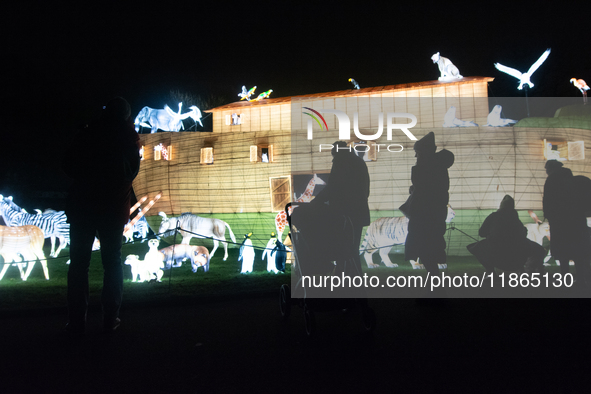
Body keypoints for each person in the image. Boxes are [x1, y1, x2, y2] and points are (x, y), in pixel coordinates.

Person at [63, 97, 141, 335]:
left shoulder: (87, 133)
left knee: (78, 264)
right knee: (113, 263)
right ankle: (111, 318)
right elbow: (132, 172)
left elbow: (68, 166)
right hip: (113, 209)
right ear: (126, 115)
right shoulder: (129, 139)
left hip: (83, 206)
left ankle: (77, 321)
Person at [313, 141, 370, 276]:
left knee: (341, 248)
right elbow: (365, 190)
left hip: (343, 214)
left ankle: (343, 277)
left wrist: (316, 202)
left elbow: (332, 187)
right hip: (358, 213)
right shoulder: (358, 162)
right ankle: (355, 278)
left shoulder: (341, 162)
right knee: (352, 249)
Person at [403, 132, 454, 276]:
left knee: (426, 253)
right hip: (433, 218)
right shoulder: (438, 169)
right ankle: (435, 288)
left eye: (417, 152)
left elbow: (424, 192)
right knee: (429, 254)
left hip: (424, 219)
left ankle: (435, 290)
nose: (416, 156)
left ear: (424, 152)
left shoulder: (425, 169)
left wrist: (415, 190)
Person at [467, 195, 546, 274]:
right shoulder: (516, 220)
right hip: (517, 259)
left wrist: (490, 235)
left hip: (497, 255)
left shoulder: (493, 216)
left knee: (477, 247)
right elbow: (523, 234)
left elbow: (481, 233)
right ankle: (528, 271)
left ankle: (491, 272)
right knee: (537, 249)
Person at [543, 160, 591, 285]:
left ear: (551, 169)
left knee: (563, 252)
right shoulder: (576, 182)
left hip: (560, 223)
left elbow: (547, 202)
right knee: (578, 252)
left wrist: (549, 217)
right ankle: (581, 278)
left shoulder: (552, 182)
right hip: (577, 222)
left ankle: (565, 278)